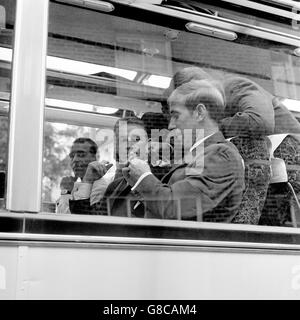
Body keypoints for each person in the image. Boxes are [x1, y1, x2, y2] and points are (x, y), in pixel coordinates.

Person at [122, 79, 245, 222]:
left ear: (199, 113)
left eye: (176, 116)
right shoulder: (200, 154)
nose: (170, 125)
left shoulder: (221, 156)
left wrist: (143, 178)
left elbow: (175, 207)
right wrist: (136, 178)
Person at [56, 137, 112, 213]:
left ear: (95, 158)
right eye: (72, 156)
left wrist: (65, 192)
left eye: (81, 155)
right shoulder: (75, 185)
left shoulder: (100, 188)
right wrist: (66, 191)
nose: (75, 160)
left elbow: (73, 221)